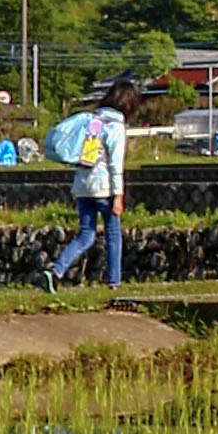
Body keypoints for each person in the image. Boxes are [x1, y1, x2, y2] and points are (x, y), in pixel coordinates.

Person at [43, 81, 145, 293]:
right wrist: (118, 196)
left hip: (82, 186)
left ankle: (56, 271)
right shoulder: (116, 127)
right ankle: (114, 282)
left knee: (86, 235)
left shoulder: (94, 122)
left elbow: (87, 155)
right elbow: (115, 165)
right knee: (113, 235)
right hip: (104, 188)